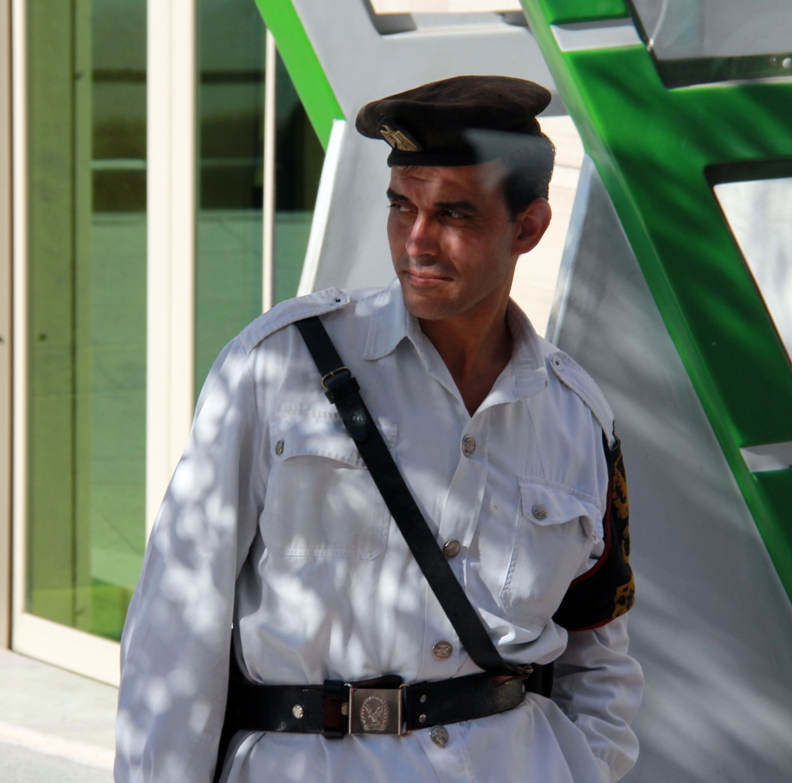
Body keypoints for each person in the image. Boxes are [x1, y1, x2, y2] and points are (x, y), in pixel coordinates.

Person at [115, 75, 643, 783]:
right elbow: (176, 624)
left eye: (452, 213)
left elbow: (597, 652)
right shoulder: (278, 366)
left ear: (528, 227)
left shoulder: (576, 417)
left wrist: (585, 768)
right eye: (402, 207)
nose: (415, 242)